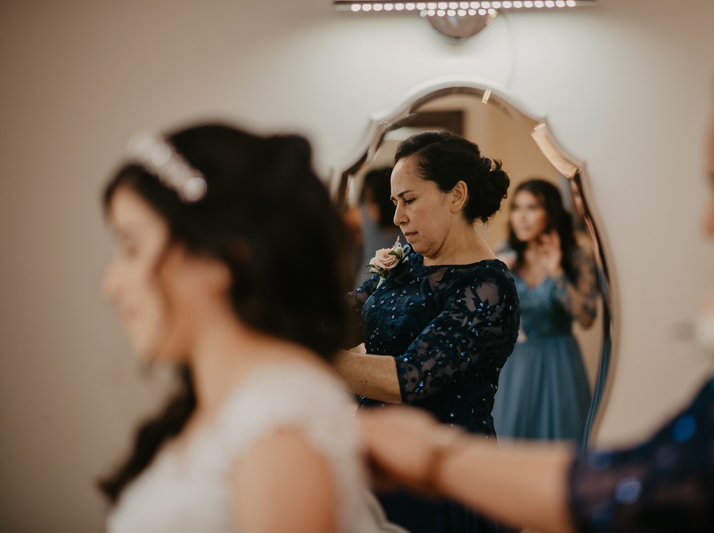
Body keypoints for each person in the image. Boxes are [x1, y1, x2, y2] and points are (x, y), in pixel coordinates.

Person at [359, 36, 714, 533]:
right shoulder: (415, 264)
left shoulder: (493, 279)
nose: (710, 223)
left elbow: (657, 480)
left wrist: (437, 459)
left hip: (550, 368)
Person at [99, 125, 379, 533]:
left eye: (132, 247)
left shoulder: (281, 423)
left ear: (221, 257)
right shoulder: (234, 399)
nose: (111, 284)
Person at [334, 131, 521, 533]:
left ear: (456, 196)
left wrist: (312, 359)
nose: (398, 217)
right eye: (395, 203)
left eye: (409, 200)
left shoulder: (487, 286)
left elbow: (411, 377)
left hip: (441, 478)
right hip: (378, 461)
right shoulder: (406, 260)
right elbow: (349, 313)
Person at [492, 179, 598, 442]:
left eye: (533, 207)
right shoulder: (503, 255)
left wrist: (557, 273)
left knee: (559, 443)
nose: (522, 217)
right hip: (513, 366)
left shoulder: (576, 256)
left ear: (550, 212)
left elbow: (586, 318)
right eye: (516, 208)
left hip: (558, 364)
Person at [359, 167, 405, 281]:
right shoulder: (361, 215)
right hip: (366, 289)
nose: (371, 208)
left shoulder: (406, 222)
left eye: (373, 201)